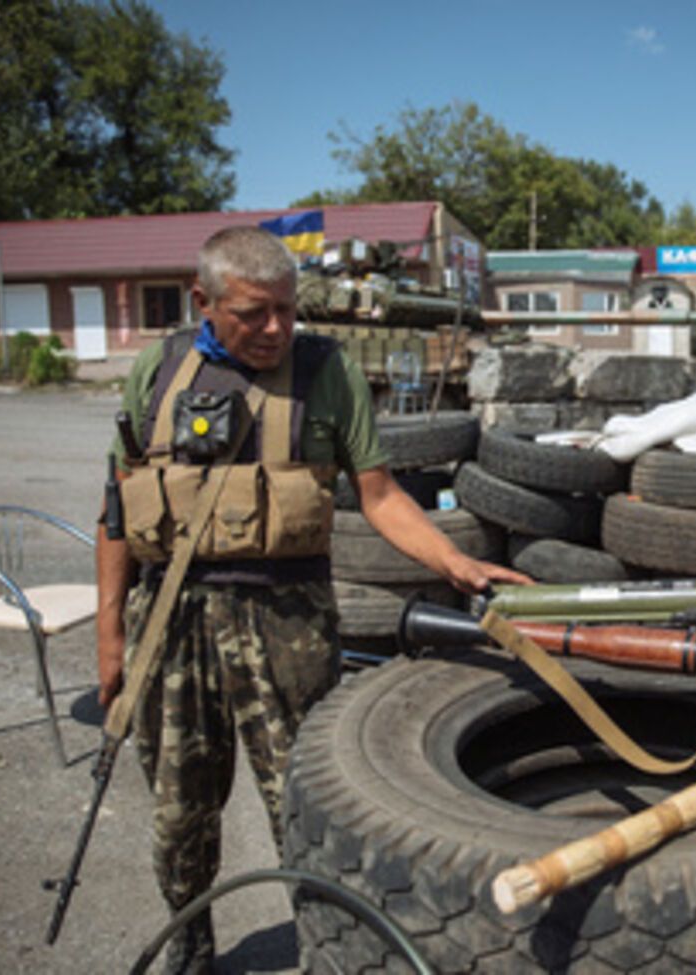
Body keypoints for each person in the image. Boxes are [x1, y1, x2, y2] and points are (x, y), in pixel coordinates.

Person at [96, 226, 529, 974]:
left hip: (286, 621)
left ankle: (328, 942)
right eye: (253, 313)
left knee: (302, 801)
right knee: (178, 808)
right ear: (204, 301)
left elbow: (381, 494)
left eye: (287, 311)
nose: (275, 329)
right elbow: (116, 507)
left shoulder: (328, 373)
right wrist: (108, 634)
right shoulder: (158, 370)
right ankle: (191, 943)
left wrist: (456, 561)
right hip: (172, 617)